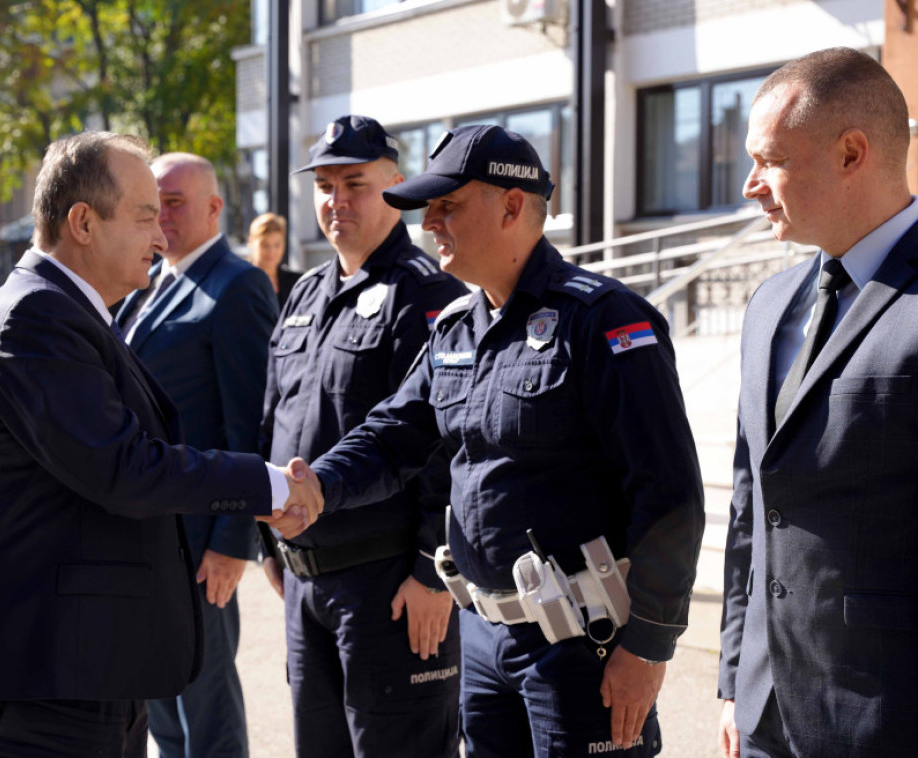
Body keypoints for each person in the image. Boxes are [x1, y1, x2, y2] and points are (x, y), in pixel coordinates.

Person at [304, 124, 705, 757]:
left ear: (512, 206)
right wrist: (316, 485)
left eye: (448, 206)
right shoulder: (459, 327)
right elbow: (395, 435)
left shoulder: (604, 320)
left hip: (582, 644)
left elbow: (671, 495)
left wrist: (648, 645)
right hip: (485, 639)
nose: (429, 222)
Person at [0, 131, 321, 758]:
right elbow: (128, 468)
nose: (160, 239)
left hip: (78, 667)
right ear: (83, 222)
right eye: (144, 218)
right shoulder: (35, 320)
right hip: (38, 682)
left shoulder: (63, 312)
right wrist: (268, 485)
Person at [718, 47, 918, 758]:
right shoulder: (769, 303)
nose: (750, 186)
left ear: (852, 153)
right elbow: (751, 505)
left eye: (770, 161)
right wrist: (734, 679)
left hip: (889, 712)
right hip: (768, 710)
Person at [259, 114, 469, 758]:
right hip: (305, 581)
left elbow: (446, 441)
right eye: (324, 185)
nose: (336, 200)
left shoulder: (427, 296)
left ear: (397, 186)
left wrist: (434, 571)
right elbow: (271, 417)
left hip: (390, 588)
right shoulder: (305, 294)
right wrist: (263, 540)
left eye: (355, 183)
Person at [114, 152, 277, 758]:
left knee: (205, 709)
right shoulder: (154, 283)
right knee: (164, 709)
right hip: (149, 532)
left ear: (215, 207)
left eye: (174, 202)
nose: (161, 216)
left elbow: (250, 427)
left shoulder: (237, 287)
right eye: (152, 205)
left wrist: (235, 541)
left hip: (201, 542)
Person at [248, 212, 302, 308]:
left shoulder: (297, 282)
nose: (271, 251)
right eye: (265, 245)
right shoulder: (242, 281)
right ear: (251, 242)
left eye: (277, 245)